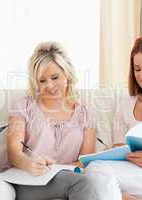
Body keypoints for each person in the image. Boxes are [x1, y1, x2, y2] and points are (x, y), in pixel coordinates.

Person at [84, 34, 142, 200]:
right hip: (138, 171)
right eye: (137, 69)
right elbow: (120, 146)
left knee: (98, 174)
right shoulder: (126, 104)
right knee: (91, 173)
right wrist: (114, 152)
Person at [7, 41, 97, 200]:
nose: (50, 85)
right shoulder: (23, 106)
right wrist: (29, 163)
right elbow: (14, 152)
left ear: (67, 74)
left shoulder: (85, 114)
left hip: (66, 178)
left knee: (90, 182)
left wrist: (57, 169)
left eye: (55, 77)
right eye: (42, 80)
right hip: (28, 179)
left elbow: (85, 162)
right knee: (86, 185)